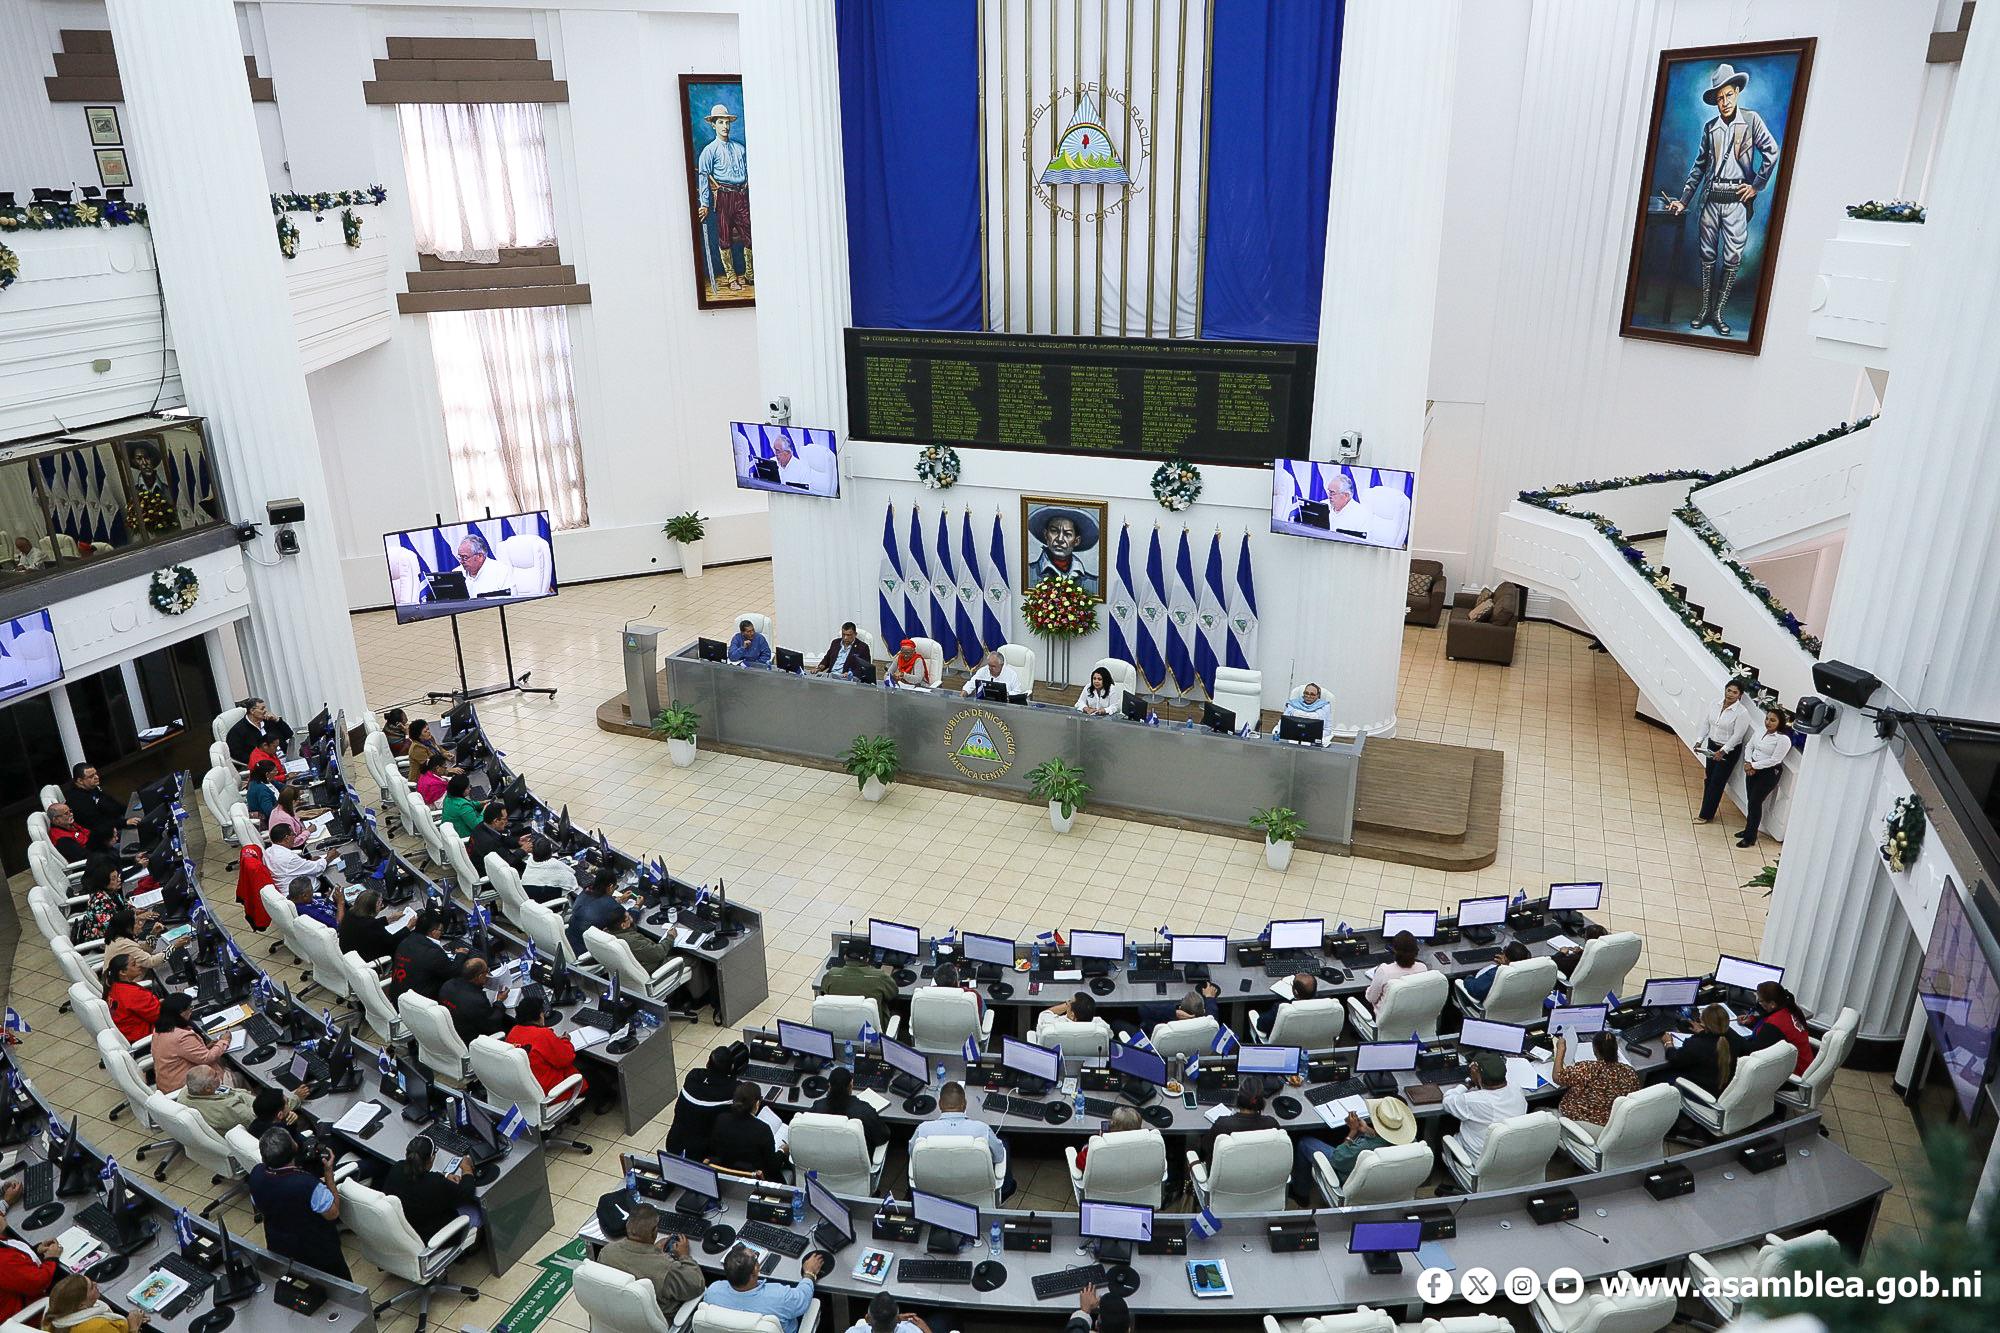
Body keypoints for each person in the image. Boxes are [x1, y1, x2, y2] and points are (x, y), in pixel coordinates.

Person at [1661, 62, 1782, 336]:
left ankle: (1719, 312)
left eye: (1728, 95)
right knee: (1707, 255)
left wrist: (1756, 186)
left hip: (1736, 201)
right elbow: (1699, 166)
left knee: (1732, 255)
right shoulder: (1709, 127)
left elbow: (1772, 151)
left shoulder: (1751, 121)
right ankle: (1704, 310)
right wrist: (1683, 200)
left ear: (1737, 92)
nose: (1725, 102)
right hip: (1710, 200)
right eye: (1719, 98)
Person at [247, 1127, 349, 1280]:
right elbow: (333, 1213)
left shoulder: (256, 1174)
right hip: (319, 1251)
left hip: (279, 1247)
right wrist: (328, 1174)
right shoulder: (307, 1185)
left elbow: (259, 1204)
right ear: (294, 1148)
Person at [1300, 1096, 1419, 1199]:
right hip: (1390, 1187)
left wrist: (1353, 1131)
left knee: (1305, 1143)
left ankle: (1301, 1194)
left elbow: (1337, 1159)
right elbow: (1386, 1140)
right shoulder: (1413, 1144)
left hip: (1352, 1180)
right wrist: (1367, 1130)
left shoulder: (1364, 1149)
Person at [911, 1082, 1012, 1199]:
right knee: (1003, 1143)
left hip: (934, 1190)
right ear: (965, 1105)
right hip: (976, 1190)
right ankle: (1005, 1191)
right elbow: (998, 1157)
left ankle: (909, 1196)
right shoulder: (982, 1129)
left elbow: (913, 1155)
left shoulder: (923, 1130)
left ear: (940, 1105)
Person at [601, 1204, 705, 1316]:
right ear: (654, 1231)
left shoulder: (606, 1252)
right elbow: (697, 1285)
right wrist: (684, 1256)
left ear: (628, 1225)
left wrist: (654, 1250)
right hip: (659, 1321)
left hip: (620, 1315)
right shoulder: (667, 1268)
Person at [703, 1245, 829, 1333]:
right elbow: (803, 1298)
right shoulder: (779, 1296)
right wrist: (809, 1273)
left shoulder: (713, 1291)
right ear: (755, 1271)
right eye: (755, 1258)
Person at [694, 102, 753, 293]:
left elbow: (750, 173)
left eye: (727, 122)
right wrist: (704, 204)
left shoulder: (740, 149)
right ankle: (731, 277)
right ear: (713, 125)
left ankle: (750, 274)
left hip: (741, 195)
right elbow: (703, 178)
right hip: (723, 197)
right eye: (720, 122)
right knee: (725, 237)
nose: (725, 126)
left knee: (749, 235)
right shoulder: (709, 151)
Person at [1441, 1052, 1529, 1168]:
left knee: (1443, 1129)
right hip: (1513, 1156)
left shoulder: (1473, 1101)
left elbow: (1447, 1101)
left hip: (1478, 1162)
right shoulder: (1516, 1088)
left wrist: (1468, 1083)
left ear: (1475, 1072)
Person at [380, 1137, 478, 1241]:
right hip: (430, 1236)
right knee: (476, 1211)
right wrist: (467, 1169)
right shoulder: (435, 1184)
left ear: (406, 1155)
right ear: (432, 1158)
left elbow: (420, 1175)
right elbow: (467, 1193)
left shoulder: (397, 1167)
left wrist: (445, 1175)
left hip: (405, 1227)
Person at [506, 992, 590, 1106]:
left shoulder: (513, 1032)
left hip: (528, 1088)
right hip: (550, 1091)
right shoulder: (542, 1035)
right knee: (592, 1072)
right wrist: (565, 1040)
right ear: (540, 1015)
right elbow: (566, 1058)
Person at [1552, 1030, 1641, 1127]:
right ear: (1616, 1048)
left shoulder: (1587, 1069)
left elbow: (1557, 1077)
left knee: (1540, 1111)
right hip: (1612, 1122)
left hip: (1581, 1122)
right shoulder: (1630, 1072)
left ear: (1595, 1050)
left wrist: (1561, 1050)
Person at [1694, 681, 1754, 824]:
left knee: (1717, 782)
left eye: (1734, 692)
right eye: (1729, 690)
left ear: (1740, 695)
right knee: (1709, 779)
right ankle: (1706, 810)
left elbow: (1737, 736)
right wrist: (1699, 740)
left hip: (1728, 751)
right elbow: (1706, 723)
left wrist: (1723, 751)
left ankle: (1705, 815)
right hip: (1712, 745)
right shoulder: (1715, 704)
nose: (1730, 694)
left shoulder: (1742, 713)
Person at [665, 1048, 742, 1158]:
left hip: (675, 1143)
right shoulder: (733, 1089)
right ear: (731, 1067)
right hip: (703, 1153)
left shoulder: (693, 1076)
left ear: (708, 1063)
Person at [0, 1182, 61, 1322]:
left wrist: (36, 1252)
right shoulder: (3, 1262)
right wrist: (51, 1259)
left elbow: (15, 1264)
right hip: (32, 1315)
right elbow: (38, 1282)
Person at [151, 994, 230, 1094]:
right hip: (186, 1087)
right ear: (181, 1013)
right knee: (236, 1077)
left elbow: (182, 1052)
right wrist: (224, 1041)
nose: (191, 1010)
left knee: (223, 1061)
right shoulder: (182, 1037)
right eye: (190, 1008)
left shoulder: (159, 1029)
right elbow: (207, 1058)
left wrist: (205, 1047)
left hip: (168, 1083)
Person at [706, 1082, 788, 1179]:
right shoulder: (762, 1129)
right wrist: (782, 1151)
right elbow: (772, 1167)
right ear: (757, 1104)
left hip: (726, 1175)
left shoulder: (721, 1119)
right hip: (758, 1181)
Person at [1739, 708, 1793, 847]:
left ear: (1780, 722)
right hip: (1752, 768)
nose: (1768, 722)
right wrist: (1747, 762)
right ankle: (1747, 829)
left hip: (1768, 773)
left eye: (1773, 720)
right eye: (1767, 719)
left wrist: (1753, 766)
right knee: (1750, 800)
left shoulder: (1783, 739)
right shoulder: (1760, 731)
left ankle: (1750, 837)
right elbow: (1749, 746)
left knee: (1755, 802)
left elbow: (1775, 760)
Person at [1664, 1004, 1746, 1096]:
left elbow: (1674, 1059)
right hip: (1724, 1091)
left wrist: (1668, 1043)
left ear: (1703, 1023)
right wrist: (1703, 1032)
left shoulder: (1697, 1044)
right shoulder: (1735, 1038)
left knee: (1656, 1077)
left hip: (1702, 1094)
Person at [184, 1067, 289, 1136]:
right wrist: (294, 1099)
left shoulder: (186, 1093)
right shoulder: (231, 1109)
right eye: (215, 1075)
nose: (219, 1075)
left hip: (249, 1100)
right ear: (207, 1089)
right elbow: (266, 1115)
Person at [820, 939, 900, 1026]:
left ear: (845, 957)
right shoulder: (879, 977)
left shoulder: (832, 975)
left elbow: (824, 991)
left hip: (840, 1028)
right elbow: (893, 994)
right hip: (870, 1033)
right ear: (867, 959)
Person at [1026, 506, 1101, 596]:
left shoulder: (1092, 583)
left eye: (1067, 534)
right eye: (1054, 531)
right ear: (1046, 535)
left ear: (1076, 541)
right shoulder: (1029, 573)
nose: (1060, 539)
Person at [388, 910, 460, 1002]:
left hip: (397, 998)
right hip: (419, 1004)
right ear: (433, 932)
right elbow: (453, 973)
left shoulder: (405, 941)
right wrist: (460, 955)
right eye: (440, 930)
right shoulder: (433, 953)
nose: (441, 933)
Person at [813, 1066, 888, 1152]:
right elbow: (883, 1136)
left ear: (829, 1086)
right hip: (856, 1163)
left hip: (825, 1160)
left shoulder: (817, 1107)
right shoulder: (865, 1111)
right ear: (851, 1084)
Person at [1198, 1080, 1278, 1161]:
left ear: (1239, 1098)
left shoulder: (1222, 1125)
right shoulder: (1272, 1124)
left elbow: (1206, 1146)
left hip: (1226, 1171)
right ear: (1262, 1102)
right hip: (1259, 1170)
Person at [35, 1274, 144, 1333]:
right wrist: (133, 1326)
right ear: (81, 1305)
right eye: (91, 1287)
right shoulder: (97, 1327)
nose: (96, 1284)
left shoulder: (52, 1317)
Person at [1746, 980, 1813, 1075]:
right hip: (1804, 1067)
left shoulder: (1774, 1024)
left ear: (1772, 1004)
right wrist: (1753, 1020)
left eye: (1760, 1001)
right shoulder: (1790, 1010)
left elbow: (1755, 1052)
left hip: (1793, 1075)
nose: (1758, 1004)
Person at [440, 956, 513, 1042]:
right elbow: (492, 1024)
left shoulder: (447, 985)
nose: (488, 974)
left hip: (453, 1030)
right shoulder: (476, 1000)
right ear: (480, 976)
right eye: (487, 971)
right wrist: (499, 1001)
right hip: (472, 1038)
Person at [60, 764, 135, 847]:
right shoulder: (77, 800)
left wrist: (130, 810)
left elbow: (114, 803)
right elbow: (98, 823)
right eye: (91, 776)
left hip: (117, 822)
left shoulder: (93, 788)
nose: (96, 777)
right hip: (105, 834)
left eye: (96, 774)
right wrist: (125, 823)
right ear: (80, 781)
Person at [1363, 931, 1429, 1011]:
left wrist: (1371, 988)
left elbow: (1371, 998)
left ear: (1394, 949)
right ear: (1416, 949)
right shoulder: (1423, 968)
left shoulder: (1384, 971)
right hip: (1413, 1017)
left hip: (1386, 1020)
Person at [104, 952, 159, 1044]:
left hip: (129, 1035)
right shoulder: (133, 994)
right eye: (134, 964)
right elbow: (159, 1016)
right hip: (147, 1039)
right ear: (123, 972)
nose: (138, 965)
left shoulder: (114, 987)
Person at [225, 697, 294, 767]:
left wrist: (278, 720)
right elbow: (237, 754)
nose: (265, 711)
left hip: (287, 758)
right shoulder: (237, 731)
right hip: (267, 766)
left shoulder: (269, 721)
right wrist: (261, 762)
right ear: (252, 711)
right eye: (262, 709)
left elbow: (289, 734)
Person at [98, 906, 166, 977]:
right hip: (126, 983)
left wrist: (153, 933)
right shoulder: (124, 944)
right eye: (137, 922)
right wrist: (174, 947)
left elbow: (145, 950)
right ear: (127, 928)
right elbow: (151, 962)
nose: (141, 924)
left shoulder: (118, 937)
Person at [468, 802, 531, 876]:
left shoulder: (483, 825)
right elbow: (507, 862)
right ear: (496, 821)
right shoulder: (490, 842)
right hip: (491, 875)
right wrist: (523, 851)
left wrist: (518, 841)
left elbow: (502, 838)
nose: (507, 822)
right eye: (505, 819)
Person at [1250, 973, 1317, 1042]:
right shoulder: (1321, 1007)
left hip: (1281, 1047)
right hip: (1308, 1043)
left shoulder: (1281, 1009)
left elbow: (1261, 1025)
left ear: (1295, 992)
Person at [338, 888, 399, 963]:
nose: (382, 905)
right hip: (365, 959)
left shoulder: (350, 914)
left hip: (349, 954)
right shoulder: (371, 924)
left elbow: (365, 926)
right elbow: (392, 941)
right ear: (371, 908)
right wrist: (408, 927)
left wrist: (389, 919)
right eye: (379, 904)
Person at [1461, 941, 1532, 1004]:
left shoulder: (1497, 973)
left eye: (1504, 950)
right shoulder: (1532, 970)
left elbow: (1475, 990)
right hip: (1517, 1008)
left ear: (1506, 959)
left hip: (1483, 1008)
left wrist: (1468, 978)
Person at [1035, 991, 1110, 1046]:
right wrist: (1071, 1005)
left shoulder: (1051, 1025)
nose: (1067, 1001)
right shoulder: (1101, 1026)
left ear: (1072, 1015)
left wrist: (1067, 1005)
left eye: (1069, 1001)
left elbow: (1046, 1013)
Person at [456, 532, 515, 598]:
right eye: (460, 557)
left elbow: (510, 601)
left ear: (480, 556)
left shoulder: (501, 571)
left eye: (465, 557)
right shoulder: (456, 573)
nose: (461, 561)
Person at [520, 837, 579, 903]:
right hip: (546, 902)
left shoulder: (530, 860)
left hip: (531, 900)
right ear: (551, 853)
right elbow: (572, 880)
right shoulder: (554, 864)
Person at [848, 1290, 932, 1333]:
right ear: (897, 1321)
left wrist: (896, 1318)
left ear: (867, 1318)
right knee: (940, 1317)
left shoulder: (852, 1331)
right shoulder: (913, 1330)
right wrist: (927, 1330)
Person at [439, 775, 483, 839]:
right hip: (467, 838)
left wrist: (480, 803)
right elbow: (477, 826)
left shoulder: (448, 798)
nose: (470, 789)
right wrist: (484, 811)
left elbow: (467, 804)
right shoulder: (463, 806)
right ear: (460, 790)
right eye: (468, 788)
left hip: (453, 833)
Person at [244, 759, 282, 826]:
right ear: (267, 774)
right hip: (271, 822)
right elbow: (270, 812)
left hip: (279, 812)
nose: (277, 772)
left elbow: (284, 787)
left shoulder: (266, 780)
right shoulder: (261, 790)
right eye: (275, 771)